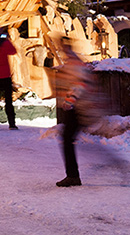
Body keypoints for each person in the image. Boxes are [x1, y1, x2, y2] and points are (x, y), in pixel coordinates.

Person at [55, 37, 91, 186]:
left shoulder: (75, 64)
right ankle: (72, 175)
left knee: (68, 139)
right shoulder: (72, 63)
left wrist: (70, 100)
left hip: (78, 107)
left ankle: (73, 176)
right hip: (76, 106)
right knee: (68, 139)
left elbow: (80, 83)